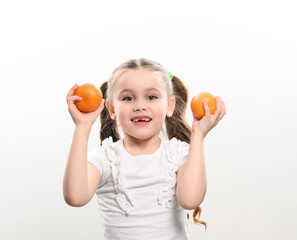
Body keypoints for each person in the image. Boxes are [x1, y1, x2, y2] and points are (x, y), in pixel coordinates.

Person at [63, 58, 226, 239]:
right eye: (128, 98)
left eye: (151, 97)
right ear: (111, 109)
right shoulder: (105, 158)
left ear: (170, 106)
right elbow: (75, 198)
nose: (140, 106)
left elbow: (190, 200)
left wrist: (198, 135)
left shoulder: (178, 154)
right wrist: (82, 127)